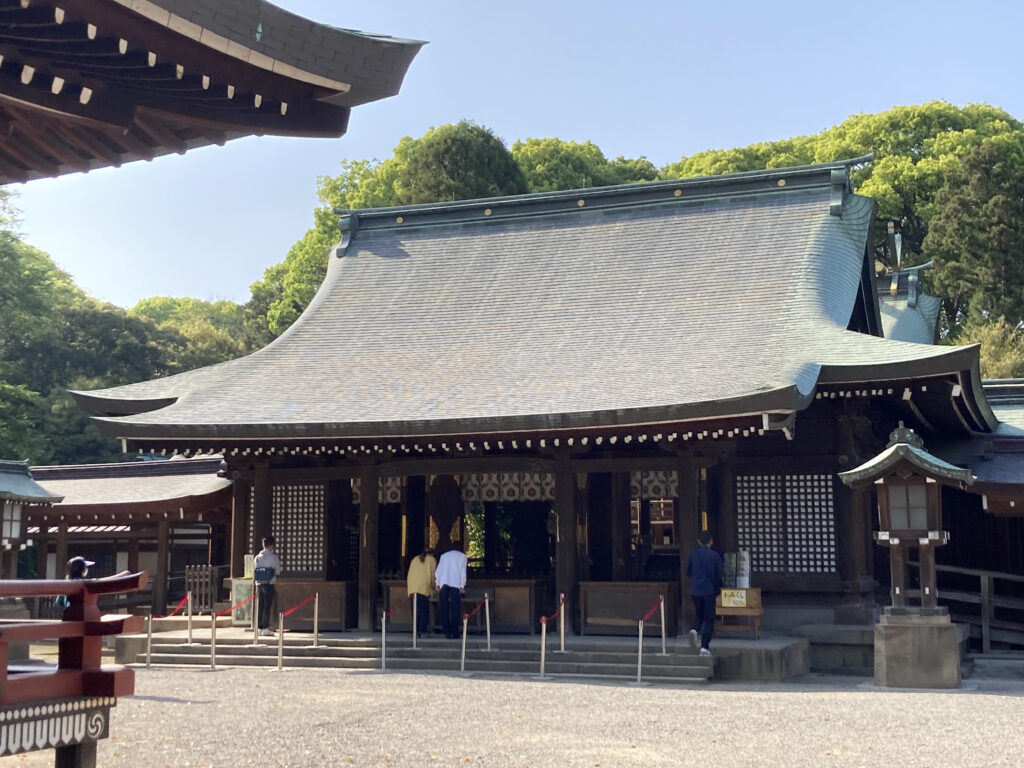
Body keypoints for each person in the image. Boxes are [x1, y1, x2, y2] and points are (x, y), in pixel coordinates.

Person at [686, 530, 724, 657]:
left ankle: (694, 630)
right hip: (709, 590)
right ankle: (704, 647)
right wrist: (719, 587)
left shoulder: (693, 554)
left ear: (698, 541)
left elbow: (688, 572)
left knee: (699, 614)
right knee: (709, 619)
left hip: (695, 590)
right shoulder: (715, 556)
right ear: (711, 542)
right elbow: (719, 575)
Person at [434, 543, 467, 639]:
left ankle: (447, 631)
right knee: (455, 608)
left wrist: (438, 583)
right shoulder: (462, 557)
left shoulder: (444, 556)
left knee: (444, 608)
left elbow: (438, 571)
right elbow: (462, 572)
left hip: (444, 583)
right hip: (456, 584)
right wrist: (462, 585)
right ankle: (454, 631)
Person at [253, 536, 281, 636]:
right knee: (267, 605)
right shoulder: (274, 557)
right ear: (271, 545)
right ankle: (265, 627)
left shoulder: (257, 557)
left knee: (260, 605)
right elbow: (277, 570)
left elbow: (255, 568)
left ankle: (259, 627)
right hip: (269, 583)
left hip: (259, 583)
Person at [406, 548, 436, 638]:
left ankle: (415, 630)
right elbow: (432, 575)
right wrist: (434, 588)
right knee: (424, 610)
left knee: (416, 610)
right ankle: (422, 631)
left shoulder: (415, 559)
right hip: (423, 587)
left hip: (412, 587)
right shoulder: (431, 560)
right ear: (432, 554)